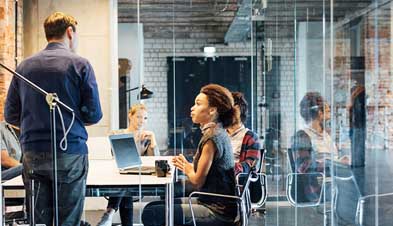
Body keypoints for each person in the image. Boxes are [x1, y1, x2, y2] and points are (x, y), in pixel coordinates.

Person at [4, 12, 102, 225]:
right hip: (70, 154)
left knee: (39, 221)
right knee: (67, 221)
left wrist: (35, 123)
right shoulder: (80, 65)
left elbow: (10, 115)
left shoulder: (24, 67)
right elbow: (94, 114)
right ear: (69, 32)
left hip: (33, 154)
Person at [141, 84, 238, 226]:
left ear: (212, 110)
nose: (192, 108)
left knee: (151, 213)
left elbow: (197, 181)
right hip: (211, 202)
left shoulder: (212, 137)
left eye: (198, 104)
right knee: (152, 207)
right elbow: (209, 172)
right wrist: (187, 166)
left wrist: (186, 167)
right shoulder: (216, 132)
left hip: (216, 211)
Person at [97, 103, 159, 226]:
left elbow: (155, 160)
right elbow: (107, 156)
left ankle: (109, 212)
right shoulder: (116, 134)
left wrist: (153, 138)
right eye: (139, 117)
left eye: (145, 118)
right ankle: (124, 222)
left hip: (136, 178)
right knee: (125, 187)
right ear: (130, 116)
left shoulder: (146, 138)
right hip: (117, 176)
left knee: (125, 186)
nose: (142, 121)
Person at [291, 92, 348, 202]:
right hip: (317, 188)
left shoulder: (326, 134)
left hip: (332, 182)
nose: (329, 112)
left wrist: (341, 161)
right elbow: (303, 167)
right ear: (319, 113)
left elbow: (333, 158)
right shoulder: (302, 135)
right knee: (351, 192)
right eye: (327, 110)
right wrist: (334, 163)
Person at [227, 92, 261, 175]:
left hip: (234, 181)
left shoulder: (250, 137)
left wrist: (227, 170)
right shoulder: (220, 136)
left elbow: (251, 165)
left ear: (240, 110)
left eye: (233, 109)